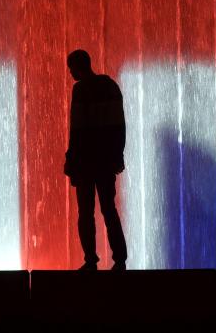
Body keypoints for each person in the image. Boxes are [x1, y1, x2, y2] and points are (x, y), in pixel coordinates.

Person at [64, 49, 128, 271]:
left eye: (71, 68)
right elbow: (120, 126)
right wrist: (118, 155)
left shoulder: (80, 90)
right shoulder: (111, 87)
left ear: (78, 67)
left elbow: (78, 130)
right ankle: (120, 260)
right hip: (106, 161)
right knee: (109, 209)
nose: (70, 73)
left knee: (85, 212)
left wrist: (71, 162)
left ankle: (90, 259)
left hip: (85, 162)